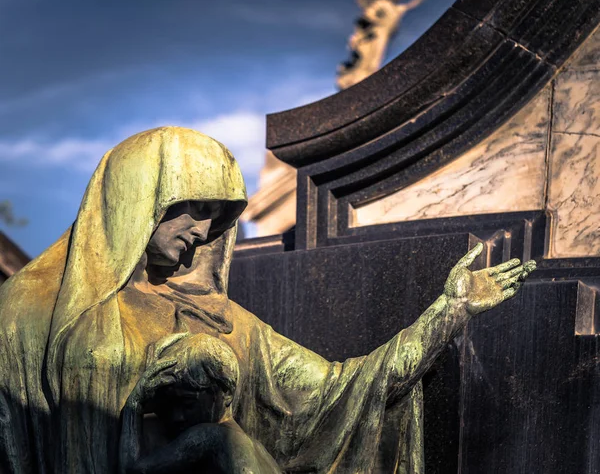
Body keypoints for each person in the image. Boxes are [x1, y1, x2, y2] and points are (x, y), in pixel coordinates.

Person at [0, 126, 535, 473]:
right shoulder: (29, 309)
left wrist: (448, 313)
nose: (204, 228)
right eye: (192, 206)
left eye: (218, 213)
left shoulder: (224, 323)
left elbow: (336, 392)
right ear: (137, 199)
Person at [119, 333, 280, 474]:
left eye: (188, 404)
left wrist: (134, 405)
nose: (177, 416)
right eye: (170, 405)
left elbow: (132, 469)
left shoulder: (209, 436)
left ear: (226, 394)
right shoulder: (262, 452)